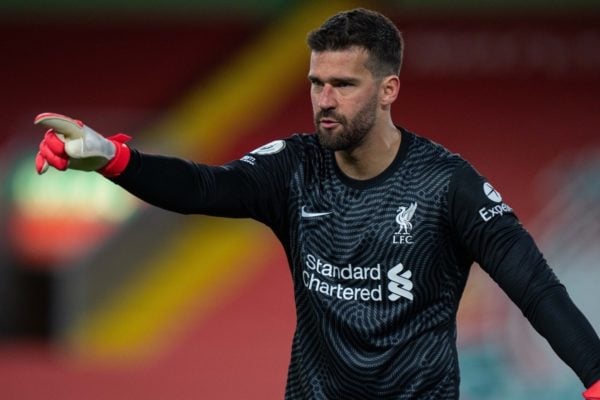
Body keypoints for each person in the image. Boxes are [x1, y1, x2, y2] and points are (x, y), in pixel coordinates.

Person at [34, 8, 600, 400]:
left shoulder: (447, 185)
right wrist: (110, 157)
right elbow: (202, 187)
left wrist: (595, 374)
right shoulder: (292, 168)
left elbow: (535, 287)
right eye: (315, 83)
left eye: (344, 85)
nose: (324, 102)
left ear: (388, 90)